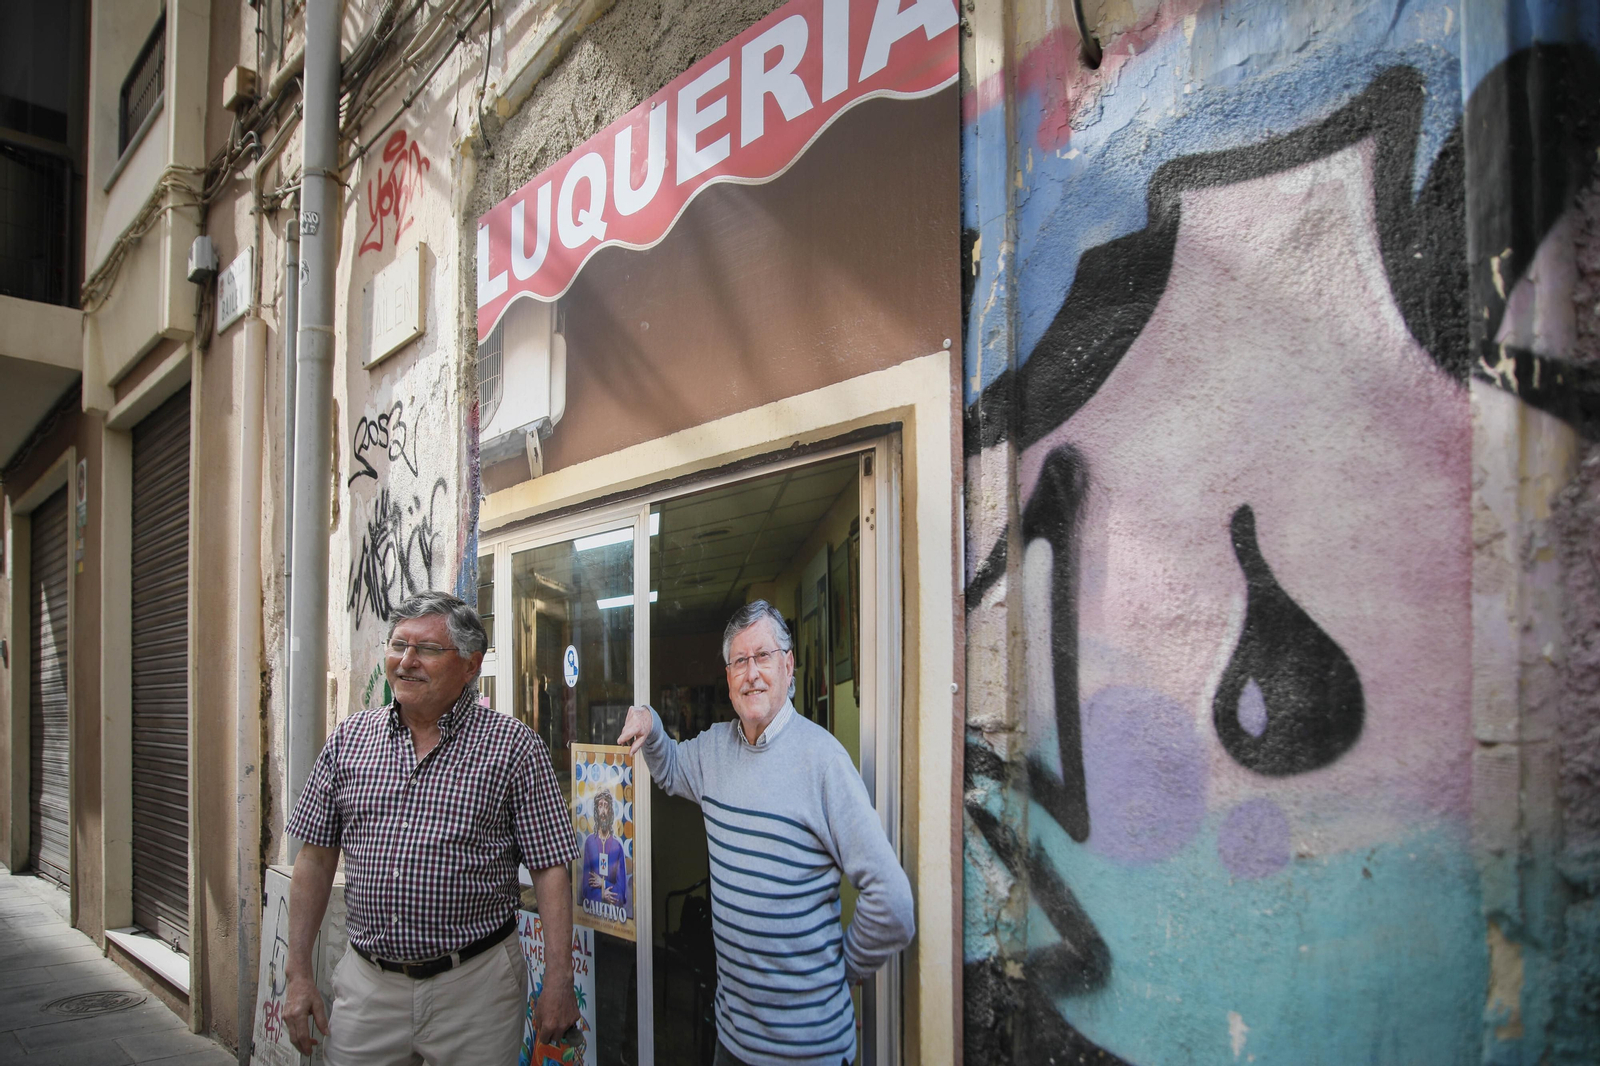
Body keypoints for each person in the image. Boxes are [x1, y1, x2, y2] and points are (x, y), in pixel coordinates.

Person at [281, 591, 580, 1064]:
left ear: (469, 664)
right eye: (399, 645)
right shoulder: (350, 740)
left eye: (427, 649)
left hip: (476, 989)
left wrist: (558, 980)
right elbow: (314, 859)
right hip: (369, 986)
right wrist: (297, 973)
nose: (406, 661)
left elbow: (550, 869)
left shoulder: (513, 746)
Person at [618, 600, 915, 1066]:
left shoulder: (825, 762)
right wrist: (651, 723)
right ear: (729, 676)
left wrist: (843, 971)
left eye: (764, 656)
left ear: (788, 664)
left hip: (809, 1051)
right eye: (740, 661)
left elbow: (893, 903)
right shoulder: (715, 748)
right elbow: (671, 768)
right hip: (732, 1042)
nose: (751, 672)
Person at [578, 788, 629, 923]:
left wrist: (602, 883)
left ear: (610, 811)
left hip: (615, 921)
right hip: (592, 918)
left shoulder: (617, 847)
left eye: (606, 806)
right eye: (600, 806)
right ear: (596, 811)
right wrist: (602, 894)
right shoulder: (589, 842)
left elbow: (622, 894)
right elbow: (585, 890)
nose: (603, 811)